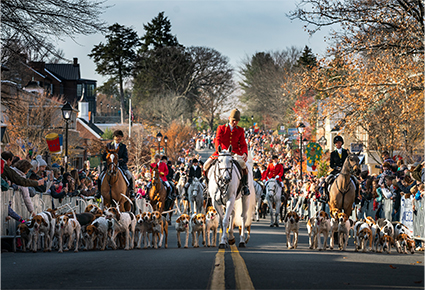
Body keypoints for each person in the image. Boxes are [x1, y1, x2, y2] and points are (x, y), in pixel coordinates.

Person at [203, 108, 250, 195]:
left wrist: (244, 153)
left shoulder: (240, 130)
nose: (235, 122)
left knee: (243, 165)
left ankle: (245, 186)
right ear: (229, 118)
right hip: (222, 152)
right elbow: (217, 140)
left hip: (234, 153)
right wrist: (219, 150)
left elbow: (243, 144)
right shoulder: (221, 128)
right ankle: (207, 187)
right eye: (233, 120)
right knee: (205, 165)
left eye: (236, 121)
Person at [96, 130, 135, 198]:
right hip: (109, 166)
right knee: (100, 176)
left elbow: (126, 158)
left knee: (129, 175)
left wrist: (118, 162)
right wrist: (109, 160)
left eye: (120, 137)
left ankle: (131, 191)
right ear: (114, 137)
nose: (119, 138)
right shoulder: (108, 145)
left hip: (121, 166)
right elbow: (104, 156)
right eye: (118, 137)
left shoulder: (123, 146)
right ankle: (98, 192)